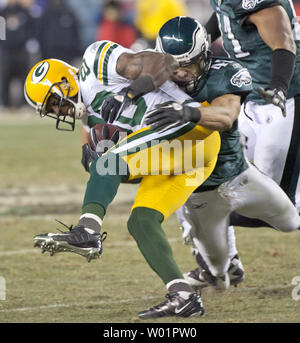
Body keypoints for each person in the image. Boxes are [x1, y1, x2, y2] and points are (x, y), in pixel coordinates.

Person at [24, 35, 232, 318]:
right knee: (141, 221)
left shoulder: (96, 62)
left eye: (52, 104)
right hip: (190, 154)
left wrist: (131, 92)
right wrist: (91, 152)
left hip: (187, 126)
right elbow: (115, 158)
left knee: (108, 163)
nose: (57, 112)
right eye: (50, 111)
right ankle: (183, 296)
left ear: (63, 82)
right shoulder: (90, 114)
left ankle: (87, 232)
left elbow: (164, 63)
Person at [151, 16, 300, 291]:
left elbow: (226, 115)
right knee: (189, 201)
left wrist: (189, 112)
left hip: (263, 125)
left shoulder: (227, 73)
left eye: (188, 64)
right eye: (174, 65)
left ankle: (216, 231)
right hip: (212, 166)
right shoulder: (160, 82)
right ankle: (222, 264)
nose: (181, 73)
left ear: (205, 56)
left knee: (288, 212)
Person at [205, 0, 300, 220]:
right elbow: (223, 16)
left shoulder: (257, 3)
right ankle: (226, 252)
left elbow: (283, 43)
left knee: (279, 203)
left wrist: (278, 86)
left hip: (284, 101)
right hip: (251, 100)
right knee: (219, 175)